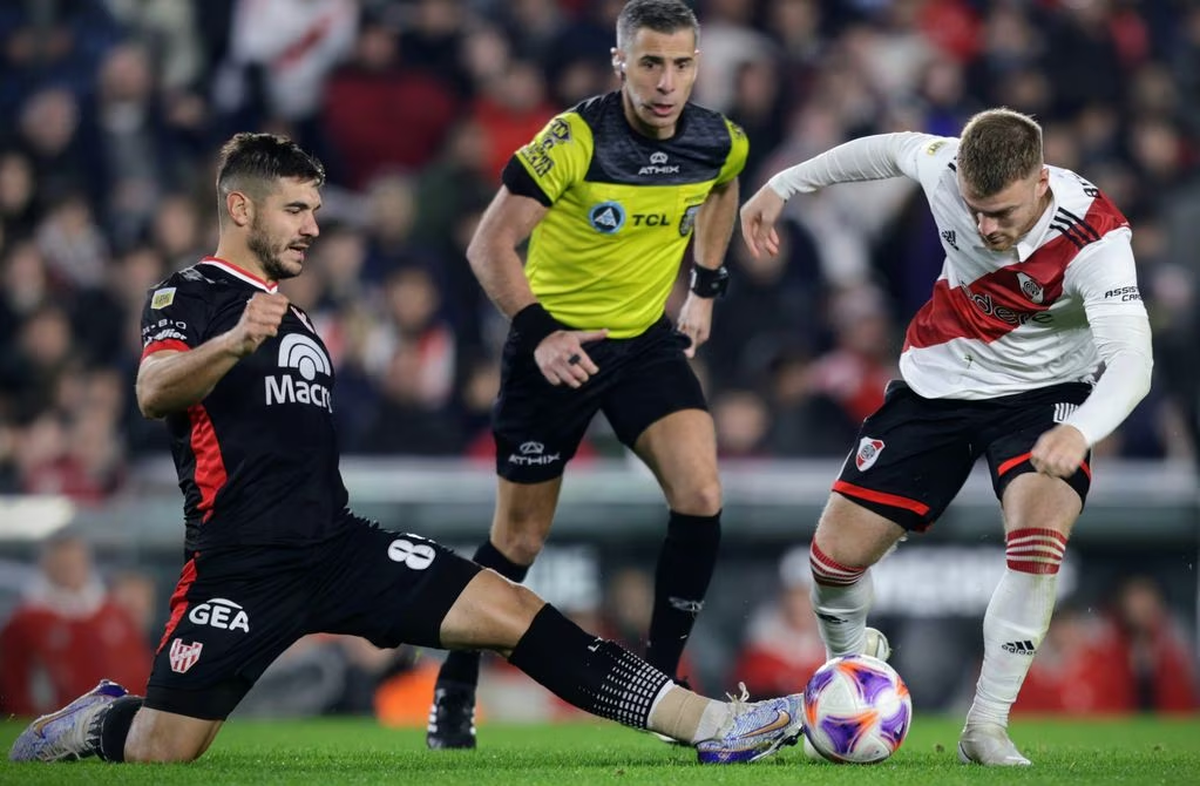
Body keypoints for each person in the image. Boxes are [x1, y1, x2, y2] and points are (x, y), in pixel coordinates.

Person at [9, 132, 803, 767]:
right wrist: (229, 344)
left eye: (316, 210)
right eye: (296, 210)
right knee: (164, 749)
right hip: (240, 564)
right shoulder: (191, 293)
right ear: (241, 208)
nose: (313, 226)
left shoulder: (293, 312)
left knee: (513, 611)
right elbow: (153, 391)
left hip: (338, 547)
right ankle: (100, 721)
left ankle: (713, 724)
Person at [740, 108, 1153, 766]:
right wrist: (783, 185)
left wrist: (1081, 428)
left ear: (1041, 182)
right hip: (938, 380)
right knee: (833, 563)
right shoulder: (944, 166)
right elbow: (882, 150)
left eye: (1002, 213)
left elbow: (1133, 359)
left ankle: (985, 726)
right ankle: (850, 680)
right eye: (975, 211)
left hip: (1043, 395)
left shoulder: (1096, 238)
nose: (985, 228)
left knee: (1040, 536)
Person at [427, 0, 748, 750]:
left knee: (701, 495)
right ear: (620, 63)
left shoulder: (717, 140)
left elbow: (724, 187)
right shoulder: (575, 138)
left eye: (680, 65)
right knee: (517, 541)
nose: (665, 82)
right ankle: (457, 680)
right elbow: (487, 245)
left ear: (696, 67)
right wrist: (540, 333)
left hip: (642, 344)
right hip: (556, 351)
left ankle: (663, 686)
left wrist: (704, 287)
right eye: (650, 63)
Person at [0, 532, 151, 716]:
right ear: (46, 565)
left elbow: (136, 668)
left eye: (74, 563)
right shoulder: (26, 621)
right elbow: (14, 680)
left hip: (114, 717)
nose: (69, 570)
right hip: (52, 721)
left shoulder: (112, 613)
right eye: (62, 564)